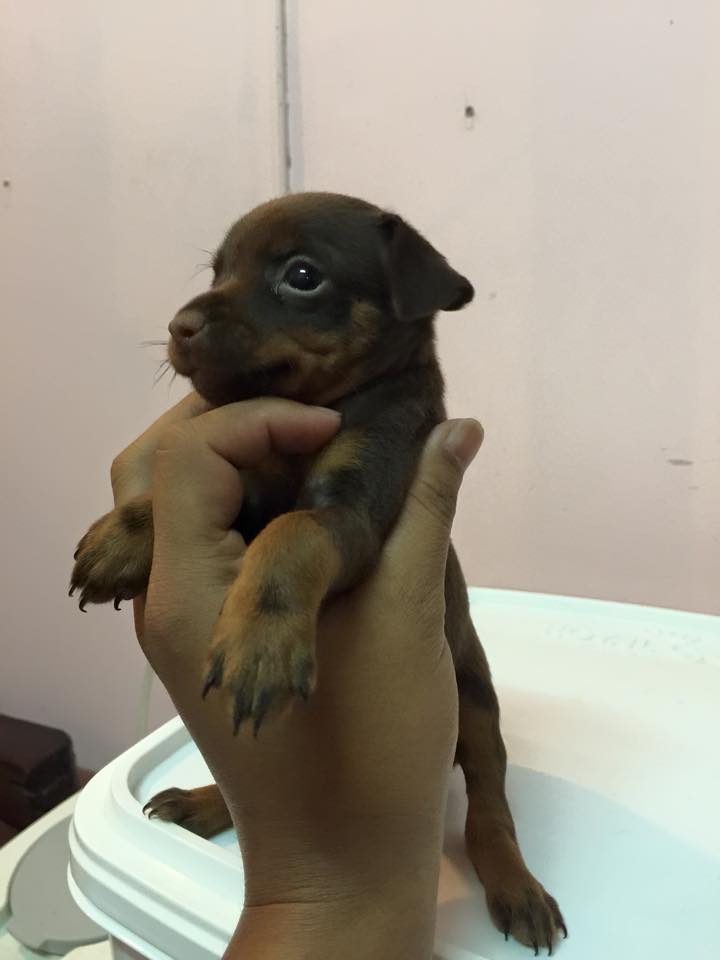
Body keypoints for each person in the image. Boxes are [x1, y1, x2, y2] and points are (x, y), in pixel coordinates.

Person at [110, 392, 482, 959]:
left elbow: (353, 522)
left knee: (482, 720)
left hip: (441, 679)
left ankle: (494, 833)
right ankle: (249, 800)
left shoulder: (377, 437)